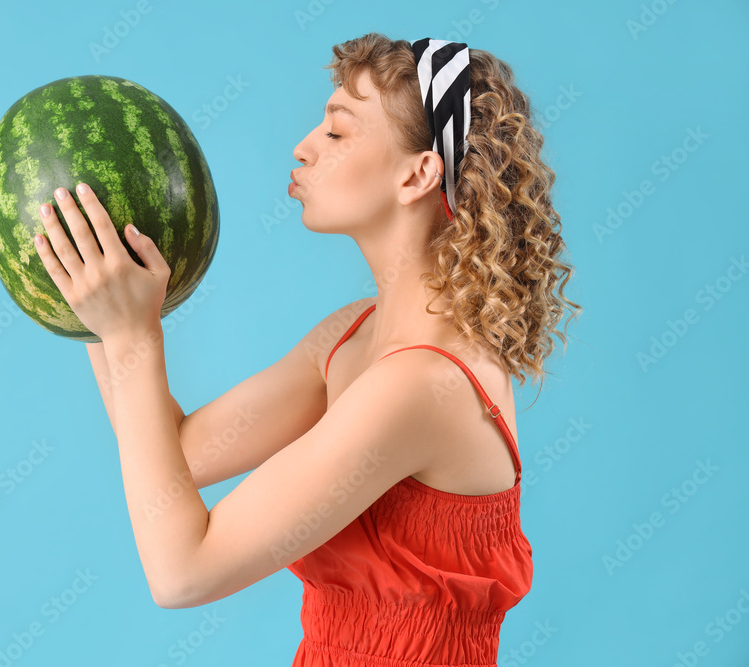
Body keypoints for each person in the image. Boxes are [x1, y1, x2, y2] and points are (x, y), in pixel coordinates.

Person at [81, 31, 580, 667]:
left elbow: (183, 572)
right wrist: (97, 306)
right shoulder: (352, 333)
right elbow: (173, 452)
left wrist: (133, 335)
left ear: (418, 173)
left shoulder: (424, 385)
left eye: (338, 132)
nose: (303, 146)